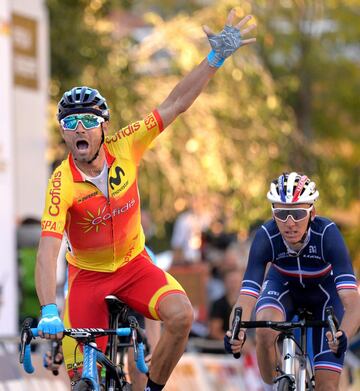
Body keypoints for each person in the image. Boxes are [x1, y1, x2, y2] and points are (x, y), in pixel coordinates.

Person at [35, 9, 256, 391]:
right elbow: (46, 251)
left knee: (182, 315)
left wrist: (214, 59)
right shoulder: (61, 183)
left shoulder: (127, 144)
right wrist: (48, 308)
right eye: (69, 124)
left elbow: (175, 103)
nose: (79, 129)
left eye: (88, 120)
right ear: (63, 134)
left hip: (136, 266)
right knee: (85, 383)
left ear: (104, 126)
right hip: (86, 278)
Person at [225, 172, 360, 391]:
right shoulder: (266, 236)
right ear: (273, 214)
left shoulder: (328, 234)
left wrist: (342, 334)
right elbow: (246, 297)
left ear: (312, 212)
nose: (290, 223)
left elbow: (353, 304)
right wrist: (235, 331)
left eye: (297, 213)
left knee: (327, 386)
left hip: (324, 297)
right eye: (281, 214)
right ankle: (275, 384)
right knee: (265, 327)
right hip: (283, 289)